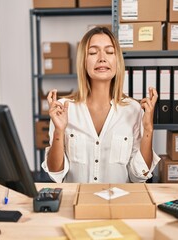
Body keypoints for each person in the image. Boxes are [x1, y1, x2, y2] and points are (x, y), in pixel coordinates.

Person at [41, 26, 160, 183]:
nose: (102, 58)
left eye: (109, 52)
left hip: (118, 204)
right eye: (93, 52)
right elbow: (56, 173)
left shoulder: (133, 109)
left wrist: (149, 129)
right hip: (77, 203)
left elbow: (138, 175)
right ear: (83, 61)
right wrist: (59, 131)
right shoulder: (63, 109)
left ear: (117, 61)